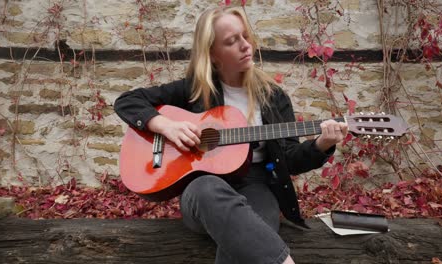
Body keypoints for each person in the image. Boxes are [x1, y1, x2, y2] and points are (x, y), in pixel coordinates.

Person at [114, 6, 348, 264]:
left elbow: (290, 158)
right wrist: (165, 126)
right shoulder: (194, 90)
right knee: (207, 189)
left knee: (253, 227)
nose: (245, 45)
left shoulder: (273, 97)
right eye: (231, 41)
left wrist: (322, 144)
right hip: (203, 192)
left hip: (257, 185)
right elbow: (127, 101)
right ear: (213, 54)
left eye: (245, 36)